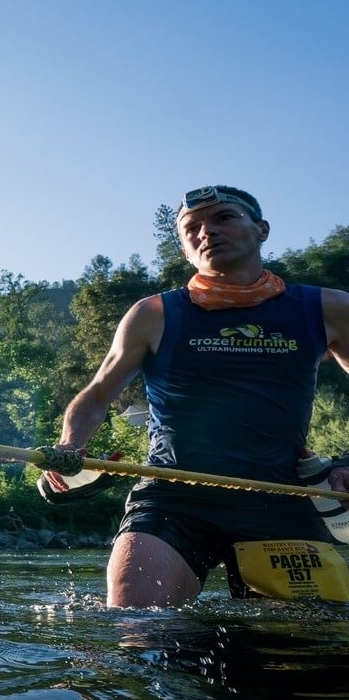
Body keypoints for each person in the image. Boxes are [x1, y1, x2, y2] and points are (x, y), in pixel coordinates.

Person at [44, 185, 349, 608]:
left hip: (283, 496)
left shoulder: (327, 307)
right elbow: (97, 397)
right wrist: (69, 447)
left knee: (301, 651)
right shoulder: (153, 314)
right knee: (140, 626)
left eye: (224, 217)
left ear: (261, 230)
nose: (207, 231)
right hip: (174, 493)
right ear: (186, 251)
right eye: (192, 228)